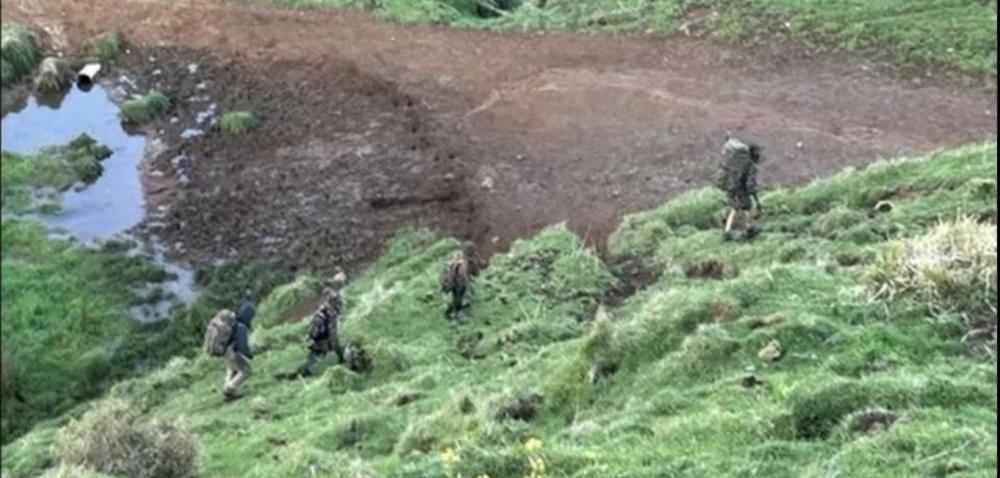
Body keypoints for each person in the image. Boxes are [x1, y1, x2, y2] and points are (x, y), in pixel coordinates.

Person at [286, 272, 348, 378]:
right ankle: (301, 372)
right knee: (318, 354)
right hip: (321, 339)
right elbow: (333, 336)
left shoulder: (324, 307)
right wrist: (340, 355)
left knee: (313, 357)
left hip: (315, 337)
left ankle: (300, 372)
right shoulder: (331, 313)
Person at [717, 136, 765, 240]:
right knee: (748, 208)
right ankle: (750, 228)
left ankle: (728, 230)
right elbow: (750, 184)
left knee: (735, 209)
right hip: (741, 190)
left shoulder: (740, 164)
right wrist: (754, 194)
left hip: (732, 187)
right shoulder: (750, 166)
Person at [224, 296, 256, 401]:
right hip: (234, 352)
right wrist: (250, 354)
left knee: (232, 369)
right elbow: (242, 347)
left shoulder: (234, 323)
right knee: (246, 371)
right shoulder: (241, 327)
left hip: (226, 351)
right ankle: (231, 388)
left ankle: (227, 387)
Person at [440, 243, 479, 320]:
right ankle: (454, 313)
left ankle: (454, 311)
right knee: (458, 297)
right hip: (458, 283)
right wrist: (467, 284)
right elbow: (463, 274)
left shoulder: (459, 259)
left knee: (457, 297)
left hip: (454, 281)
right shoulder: (464, 263)